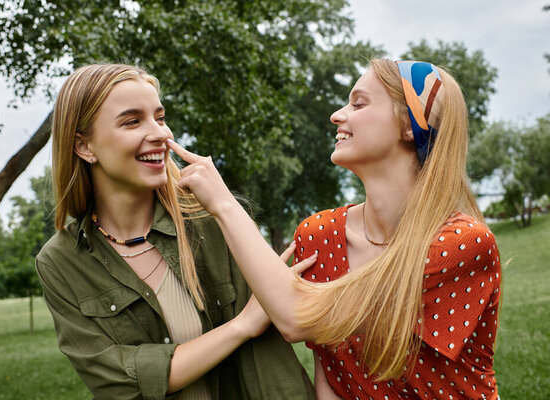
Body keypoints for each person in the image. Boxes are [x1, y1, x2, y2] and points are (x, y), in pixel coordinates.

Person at [166, 58, 502, 399]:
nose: (337, 115)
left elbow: (296, 317)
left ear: (408, 124)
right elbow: (331, 374)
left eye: (358, 103)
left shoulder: (463, 243)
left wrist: (225, 205)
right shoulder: (319, 234)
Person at [35, 63, 317, 400]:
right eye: (132, 121)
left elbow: (292, 327)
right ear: (85, 147)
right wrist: (242, 326)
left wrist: (226, 206)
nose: (160, 133)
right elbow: (118, 382)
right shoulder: (61, 261)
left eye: (159, 117)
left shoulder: (213, 220)